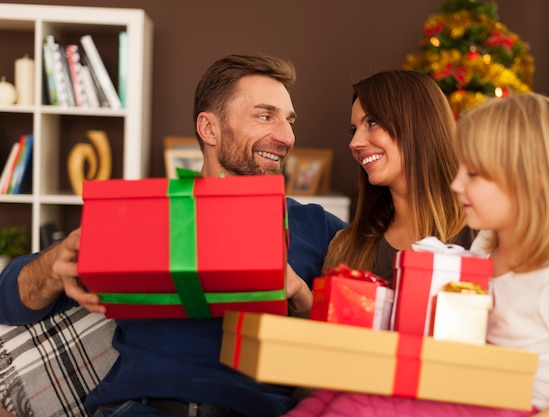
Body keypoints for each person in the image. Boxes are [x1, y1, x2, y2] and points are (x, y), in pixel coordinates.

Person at [0, 54, 346, 417]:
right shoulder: (146, 213)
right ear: (209, 128)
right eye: (265, 116)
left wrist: (301, 295)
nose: (286, 136)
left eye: (289, 121)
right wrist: (58, 260)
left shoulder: (316, 227)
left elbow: (358, 345)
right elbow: (9, 298)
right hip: (139, 408)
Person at [284, 92, 549, 417]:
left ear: (532, 182)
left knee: (356, 408)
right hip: (468, 390)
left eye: (473, 173)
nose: (456, 183)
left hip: (516, 406)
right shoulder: (485, 249)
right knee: (331, 397)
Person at [323, 69, 474, 282]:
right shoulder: (347, 247)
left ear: (418, 124)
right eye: (353, 130)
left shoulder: (480, 236)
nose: (354, 143)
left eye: (372, 122)